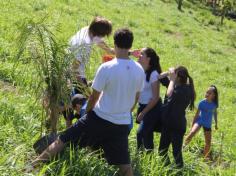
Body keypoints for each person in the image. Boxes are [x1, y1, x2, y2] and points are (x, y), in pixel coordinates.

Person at [31, 28, 145, 176]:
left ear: (115, 44)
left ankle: (32, 167)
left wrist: (89, 113)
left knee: (62, 140)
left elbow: (94, 97)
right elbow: (135, 99)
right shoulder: (139, 70)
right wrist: (124, 112)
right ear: (130, 46)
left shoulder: (107, 67)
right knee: (124, 166)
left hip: (99, 117)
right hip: (122, 123)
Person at [158, 66, 196, 168]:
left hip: (177, 126)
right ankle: (168, 169)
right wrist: (168, 73)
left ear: (178, 78)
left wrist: (172, 80)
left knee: (176, 153)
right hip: (167, 124)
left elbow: (169, 94)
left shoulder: (185, 90)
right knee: (162, 151)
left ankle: (179, 171)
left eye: (174, 75)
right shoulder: (175, 85)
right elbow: (159, 77)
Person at [136, 47, 162, 151]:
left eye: (142, 54)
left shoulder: (153, 74)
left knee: (141, 133)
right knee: (147, 134)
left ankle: (142, 156)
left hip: (152, 107)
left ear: (149, 59)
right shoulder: (140, 70)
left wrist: (143, 113)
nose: (139, 55)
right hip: (142, 106)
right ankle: (145, 157)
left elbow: (155, 98)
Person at [184, 85, 219, 159]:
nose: (207, 94)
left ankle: (206, 157)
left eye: (209, 93)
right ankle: (183, 147)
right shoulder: (201, 103)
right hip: (200, 121)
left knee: (208, 142)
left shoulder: (214, 105)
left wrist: (216, 123)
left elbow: (215, 113)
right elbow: (196, 115)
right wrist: (193, 125)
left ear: (214, 95)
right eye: (207, 92)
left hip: (207, 124)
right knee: (191, 133)